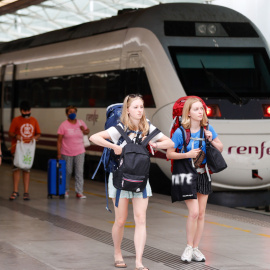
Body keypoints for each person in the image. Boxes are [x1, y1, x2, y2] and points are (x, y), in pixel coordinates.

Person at [90, 94, 174, 270]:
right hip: (119, 178)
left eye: (141, 107)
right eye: (135, 107)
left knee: (141, 219)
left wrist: (155, 145)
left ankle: (138, 261)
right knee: (120, 220)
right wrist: (115, 147)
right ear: (127, 109)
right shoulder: (119, 128)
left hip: (141, 179)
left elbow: (169, 142)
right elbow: (94, 138)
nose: (139, 110)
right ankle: (117, 253)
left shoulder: (147, 127)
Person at [166, 97, 223, 263]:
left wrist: (211, 139)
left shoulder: (208, 128)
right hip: (186, 173)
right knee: (194, 212)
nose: (200, 112)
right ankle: (189, 247)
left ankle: (196, 248)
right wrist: (187, 155)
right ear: (188, 113)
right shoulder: (180, 132)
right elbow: (169, 154)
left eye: (201, 109)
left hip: (203, 173)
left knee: (201, 214)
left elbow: (220, 148)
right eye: (196, 109)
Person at [9, 101, 41, 201]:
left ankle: (26, 192)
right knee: (16, 169)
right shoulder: (16, 120)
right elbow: (10, 133)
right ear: (21, 111)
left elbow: (38, 134)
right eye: (24, 111)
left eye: (28, 111)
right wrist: (16, 136)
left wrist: (35, 137)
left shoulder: (34, 120)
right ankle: (15, 191)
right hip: (17, 149)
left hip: (28, 150)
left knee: (27, 169)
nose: (27, 113)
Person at [57, 105, 90, 199]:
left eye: (74, 112)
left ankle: (79, 192)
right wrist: (59, 153)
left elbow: (87, 132)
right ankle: (65, 190)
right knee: (68, 171)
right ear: (66, 113)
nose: (72, 113)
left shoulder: (80, 123)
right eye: (70, 112)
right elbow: (59, 140)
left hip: (80, 151)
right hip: (66, 151)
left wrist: (84, 130)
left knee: (79, 172)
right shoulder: (63, 125)